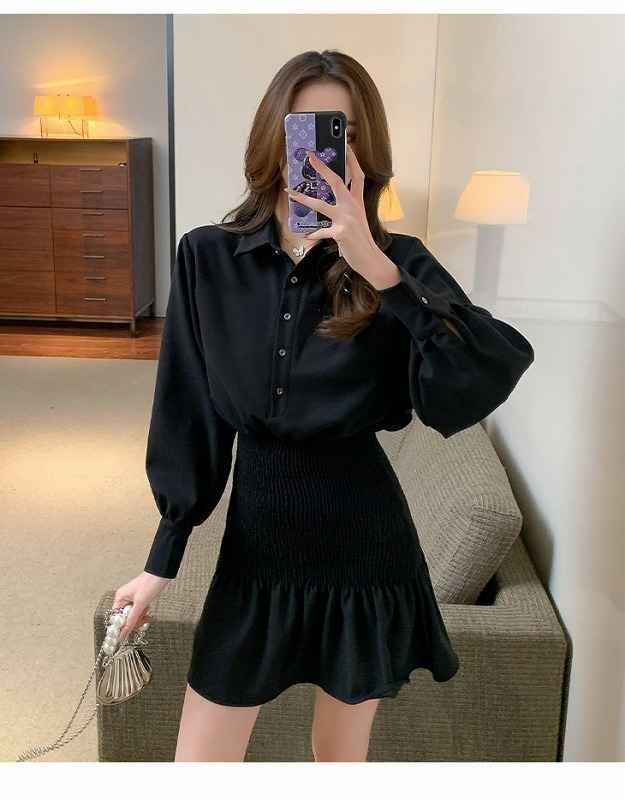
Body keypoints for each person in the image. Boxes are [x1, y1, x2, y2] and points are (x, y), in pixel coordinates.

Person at [113, 49, 534, 762]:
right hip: (256, 549)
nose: (317, 150)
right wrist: (164, 556)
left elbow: (482, 372)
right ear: (272, 137)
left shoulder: (398, 263)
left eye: (341, 131)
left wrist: (379, 269)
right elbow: (189, 411)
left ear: (364, 151)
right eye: (301, 126)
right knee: (199, 762)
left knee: (337, 759)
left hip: (363, 547)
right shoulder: (206, 257)